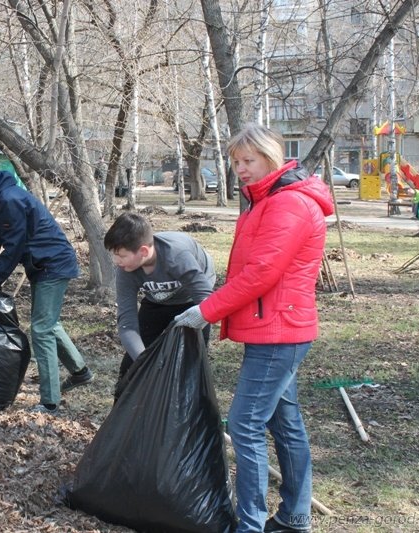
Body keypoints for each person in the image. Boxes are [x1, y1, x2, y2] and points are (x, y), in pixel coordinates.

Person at [174, 123, 333, 533]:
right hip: (280, 326)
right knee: (285, 423)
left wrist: (205, 311)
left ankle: (251, 524)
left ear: (271, 158)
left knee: (244, 424)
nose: (240, 169)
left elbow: (260, 274)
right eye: (235, 161)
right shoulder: (267, 200)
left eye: (248, 160)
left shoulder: (287, 205)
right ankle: (296, 517)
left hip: (279, 331)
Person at [0, 156, 94, 415]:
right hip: (41, 265)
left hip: (53, 265)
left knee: (41, 329)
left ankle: (50, 402)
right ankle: (80, 372)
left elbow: (13, 249)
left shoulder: (10, 200)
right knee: (48, 323)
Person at [103, 213, 215, 388]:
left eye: (121, 255)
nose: (117, 261)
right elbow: (127, 324)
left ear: (144, 251)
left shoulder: (177, 256)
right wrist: (144, 361)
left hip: (193, 298)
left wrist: (199, 328)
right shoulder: (125, 270)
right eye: (114, 255)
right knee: (131, 368)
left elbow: (208, 303)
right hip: (156, 299)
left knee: (189, 366)